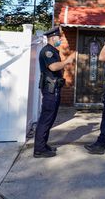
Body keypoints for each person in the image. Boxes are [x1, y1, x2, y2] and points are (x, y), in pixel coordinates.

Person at [34, 27, 75, 158]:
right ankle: (39, 149)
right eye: (59, 38)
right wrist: (67, 61)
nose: (61, 40)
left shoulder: (53, 50)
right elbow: (53, 67)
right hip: (50, 90)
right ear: (53, 38)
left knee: (50, 118)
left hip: (54, 89)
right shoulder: (47, 52)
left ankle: (43, 145)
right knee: (46, 119)